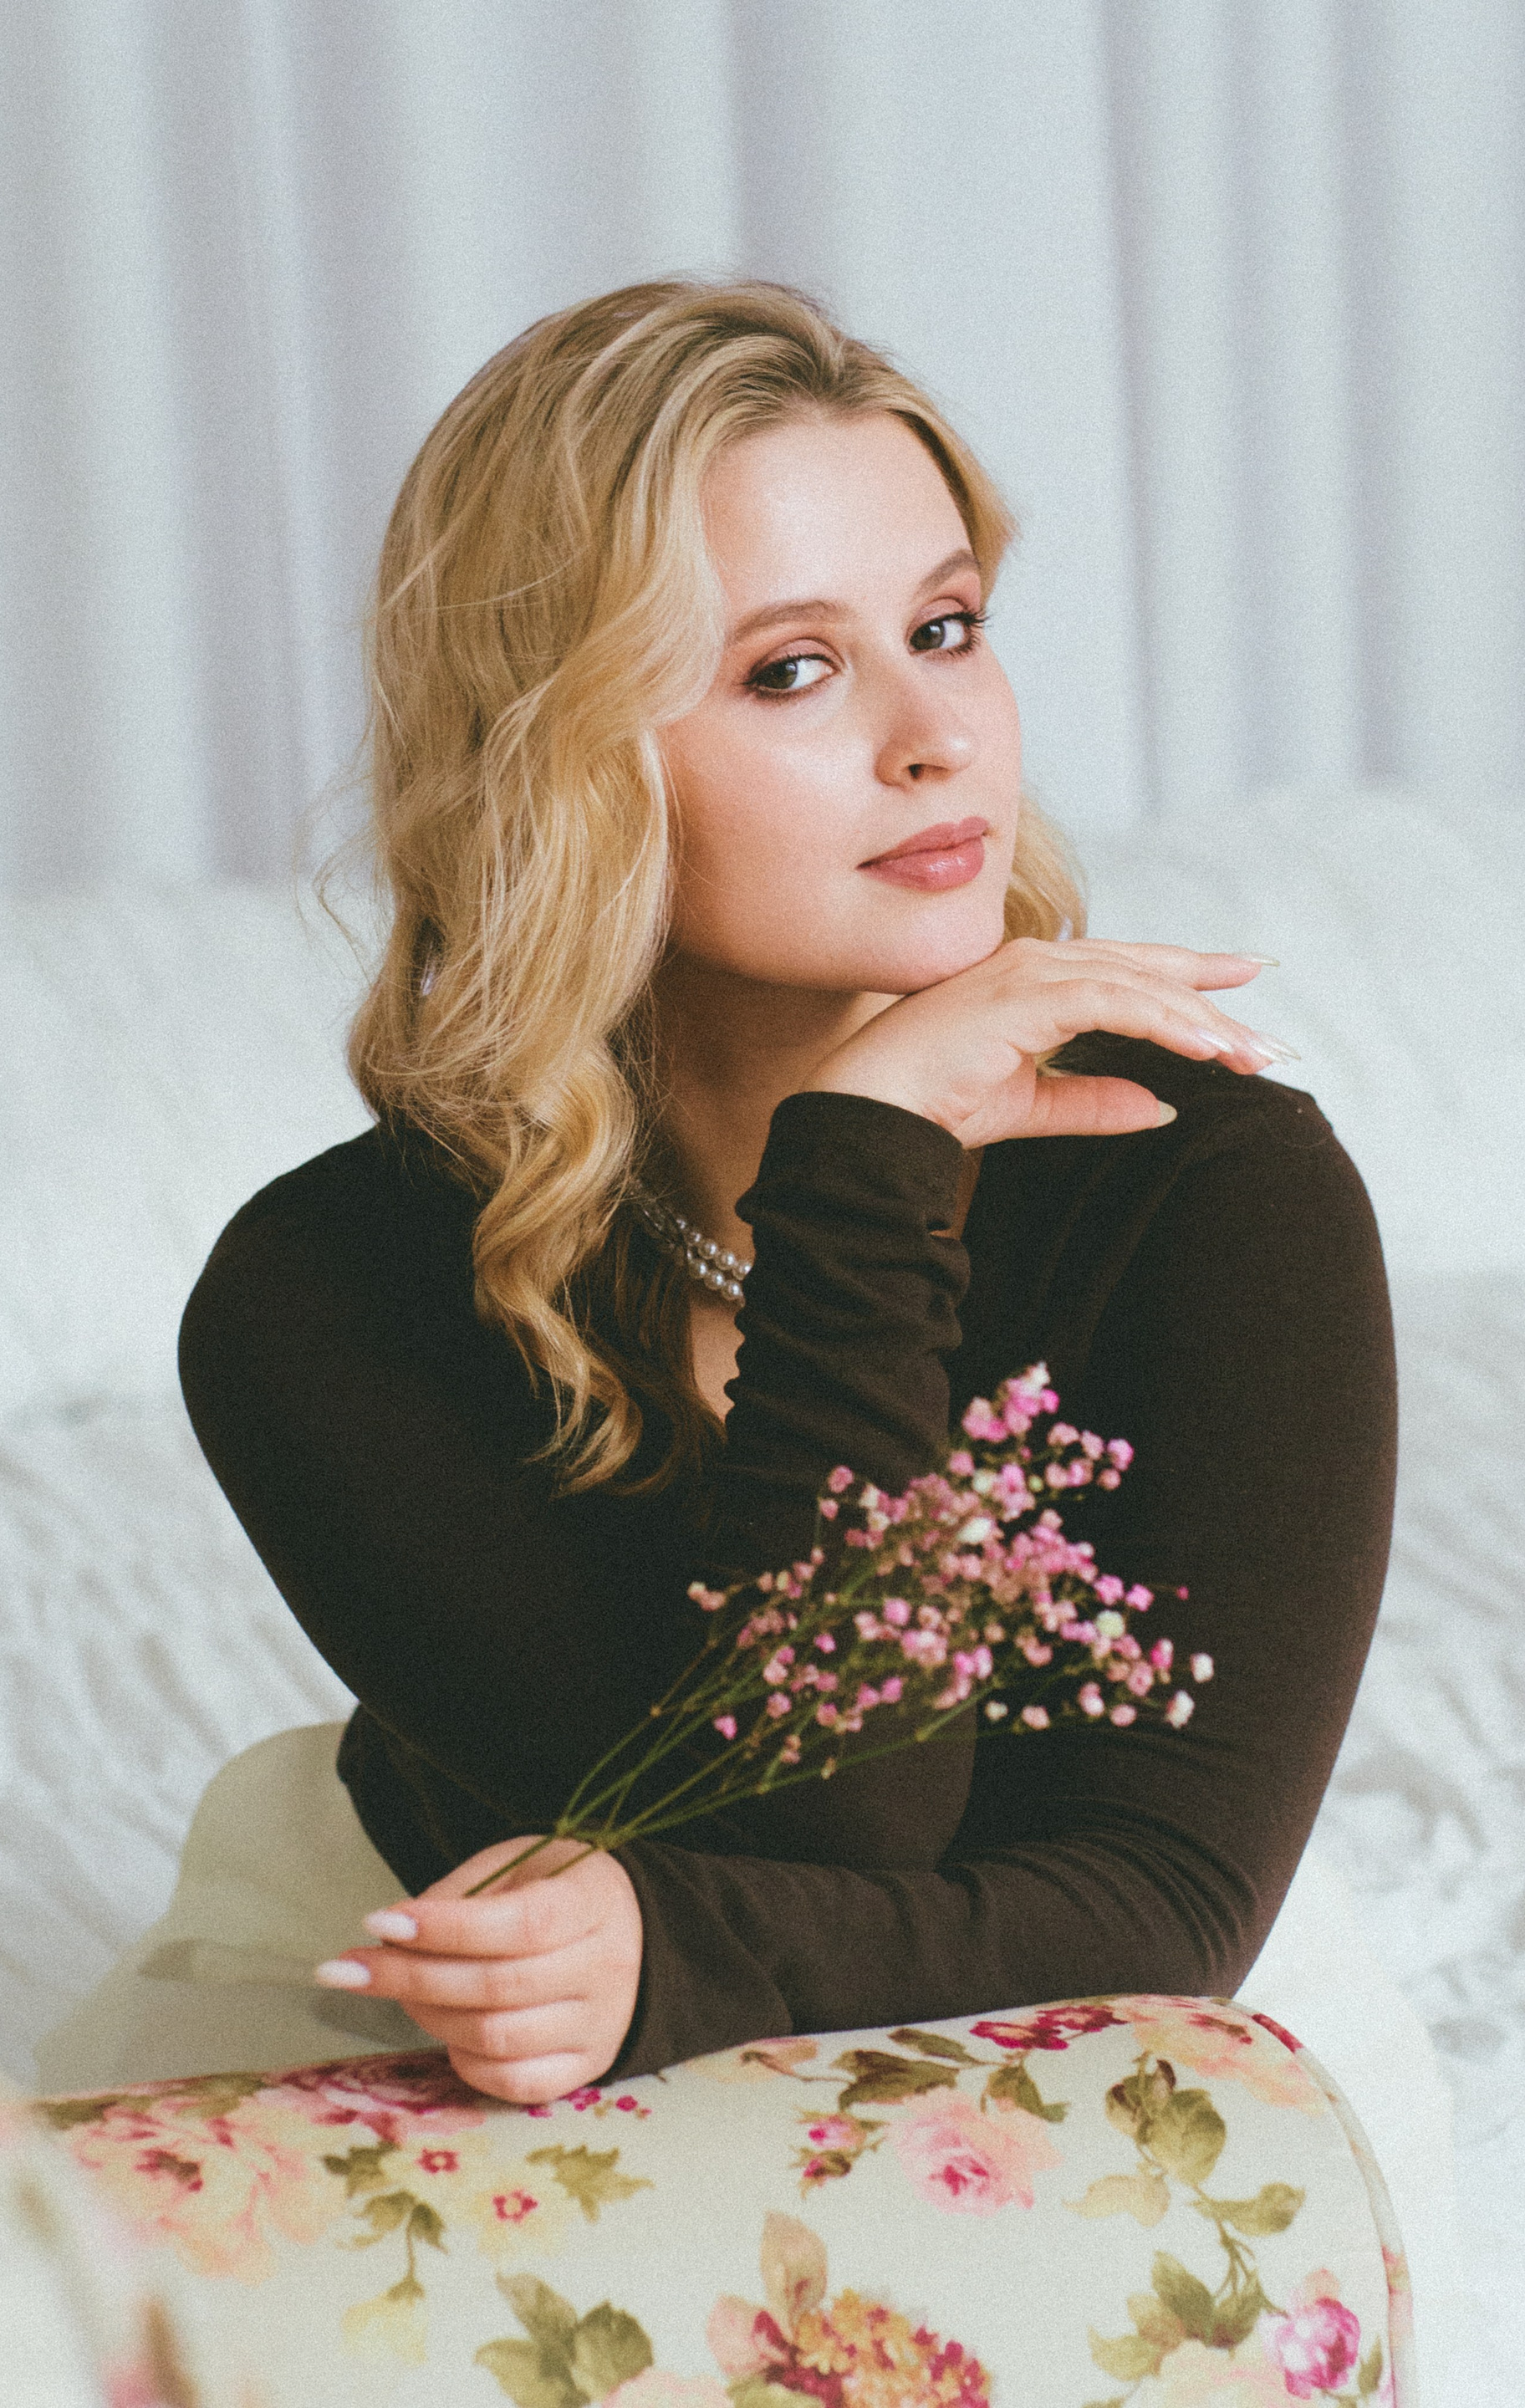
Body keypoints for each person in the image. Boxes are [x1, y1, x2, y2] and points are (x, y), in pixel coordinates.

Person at [178, 278, 1396, 2110]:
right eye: (792, 670)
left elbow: (1160, 1904)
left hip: (1090, 2005)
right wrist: (868, 1171)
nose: (937, 739)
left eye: (947, 627)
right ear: (559, 759)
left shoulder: (1212, 1186)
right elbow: (832, 1821)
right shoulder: (322, 1293)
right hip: (503, 2002)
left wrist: (866, 1152)